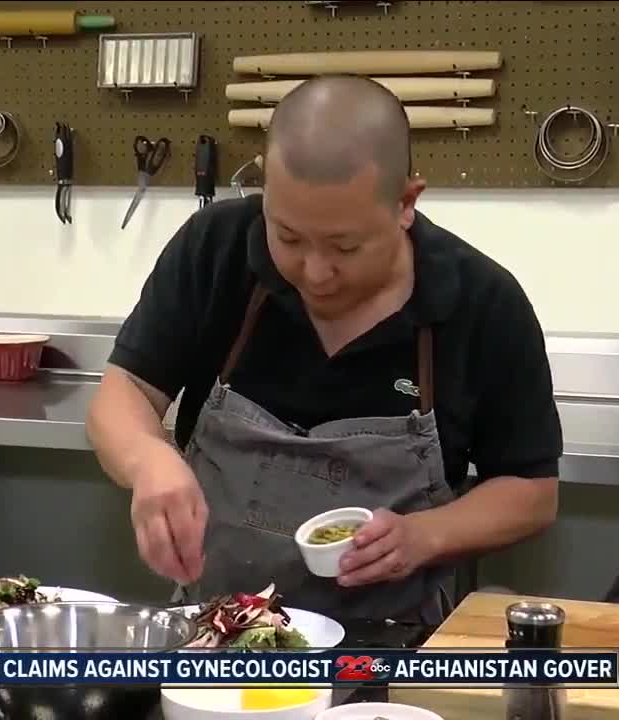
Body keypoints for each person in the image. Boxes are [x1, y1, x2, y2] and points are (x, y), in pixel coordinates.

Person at [86, 75, 562, 625]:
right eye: (287, 237)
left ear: (406, 202)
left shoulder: (481, 303)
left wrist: (425, 536)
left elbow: (531, 491)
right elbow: (122, 395)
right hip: (217, 633)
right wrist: (150, 461)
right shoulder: (214, 250)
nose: (314, 272)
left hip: (392, 650)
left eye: (344, 246)